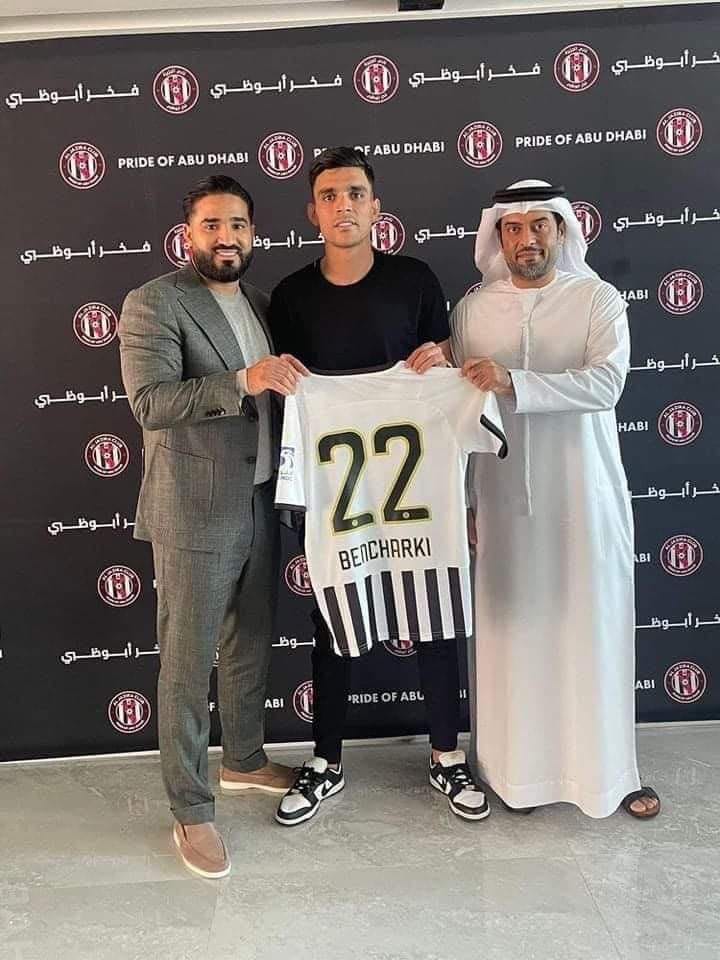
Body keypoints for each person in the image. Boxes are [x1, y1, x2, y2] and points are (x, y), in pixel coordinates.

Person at [268, 147, 489, 826]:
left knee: (433, 611)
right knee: (332, 617)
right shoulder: (292, 296)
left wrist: (442, 358)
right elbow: (291, 402)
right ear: (313, 212)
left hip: (415, 487)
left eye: (355, 194)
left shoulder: (415, 280)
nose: (344, 206)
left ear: (376, 207)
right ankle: (326, 760)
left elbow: (448, 379)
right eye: (329, 196)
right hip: (339, 489)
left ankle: (447, 755)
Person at [450, 179, 660, 819]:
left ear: (562, 230)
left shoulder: (597, 299)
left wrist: (514, 380)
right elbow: (459, 409)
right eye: (513, 228)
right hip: (501, 500)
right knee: (516, 633)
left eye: (539, 225)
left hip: (584, 495)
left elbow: (607, 384)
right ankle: (518, 778)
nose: (527, 240)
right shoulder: (472, 311)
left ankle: (608, 778)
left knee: (588, 629)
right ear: (498, 237)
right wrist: (464, 500)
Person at [119, 175, 307, 879]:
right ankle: (191, 807)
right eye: (212, 225)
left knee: (250, 640)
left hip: (261, 498)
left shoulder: (261, 302)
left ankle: (245, 760)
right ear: (188, 234)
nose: (226, 238)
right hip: (194, 508)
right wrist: (242, 380)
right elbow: (151, 402)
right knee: (188, 660)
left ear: (253, 233)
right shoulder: (154, 302)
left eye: (238, 225)